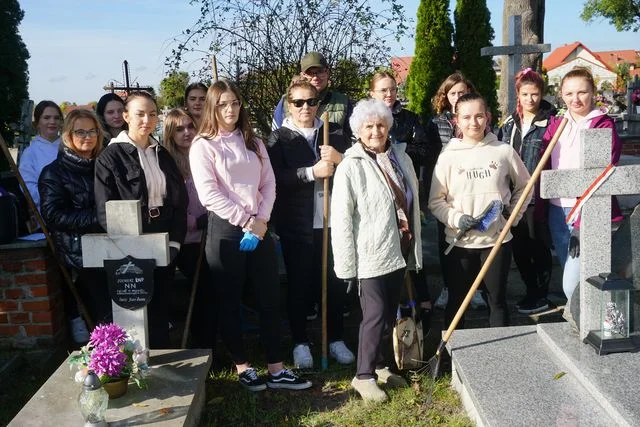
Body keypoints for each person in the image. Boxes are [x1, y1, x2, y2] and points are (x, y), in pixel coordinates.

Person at [189, 79, 311, 391]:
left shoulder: (253, 142)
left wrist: (262, 220)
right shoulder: (203, 146)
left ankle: (276, 368)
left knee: (270, 299)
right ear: (213, 108)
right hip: (226, 232)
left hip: (260, 228)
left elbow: (269, 183)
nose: (230, 110)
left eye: (234, 103)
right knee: (229, 301)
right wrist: (247, 221)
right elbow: (209, 195)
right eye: (223, 104)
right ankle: (243, 367)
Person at [331, 99, 422, 402]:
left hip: (399, 249)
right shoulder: (350, 166)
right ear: (358, 130)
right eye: (368, 126)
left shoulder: (399, 158)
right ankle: (363, 375)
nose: (375, 131)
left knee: (387, 315)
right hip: (369, 254)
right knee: (374, 315)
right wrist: (346, 266)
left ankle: (381, 366)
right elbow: (342, 219)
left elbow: (410, 198)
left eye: (380, 125)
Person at [267, 77, 354, 369]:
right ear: (288, 105)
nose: (306, 107)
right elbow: (275, 178)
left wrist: (339, 159)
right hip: (298, 224)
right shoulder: (279, 138)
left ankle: (336, 338)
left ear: (319, 103)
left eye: (312, 101)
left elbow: (354, 170)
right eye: (299, 102)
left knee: (335, 282)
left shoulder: (334, 134)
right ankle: (300, 342)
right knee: (300, 285)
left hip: (331, 223)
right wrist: (310, 172)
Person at [429, 92, 531, 329]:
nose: (473, 122)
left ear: (487, 117)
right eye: (466, 117)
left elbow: (526, 185)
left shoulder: (503, 151)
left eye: (478, 116)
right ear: (456, 120)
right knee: (457, 301)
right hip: (460, 243)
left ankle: (497, 355)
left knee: (496, 300)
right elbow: (436, 201)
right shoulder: (448, 157)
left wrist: (512, 216)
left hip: (496, 242)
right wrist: (456, 218)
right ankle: (453, 354)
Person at [94, 91, 188, 349]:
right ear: (125, 116)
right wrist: (128, 248)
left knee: (160, 303)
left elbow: (180, 202)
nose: (147, 119)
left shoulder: (162, 154)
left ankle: (161, 361)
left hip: (163, 234)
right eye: (139, 114)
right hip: (130, 239)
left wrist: (176, 241)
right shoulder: (110, 158)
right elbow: (105, 209)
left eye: (152, 113)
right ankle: (134, 364)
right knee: (135, 306)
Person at [538, 67, 622, 327]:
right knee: (573, 272)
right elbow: (545, 164)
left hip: (587, 211)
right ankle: (587, 322)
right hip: (557, 209)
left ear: (593, 93)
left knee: (572, 282)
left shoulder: (602, 125)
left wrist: (580, 222)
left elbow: (600, 176)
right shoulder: (558, 124)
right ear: (561, 95)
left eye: (582, 92)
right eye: (569, 93)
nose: (576, 99)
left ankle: (607, 321)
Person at [369, 70, 441, 325]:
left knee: (411, 243)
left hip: (405, 191)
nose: (389, 94)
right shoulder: (364, 120)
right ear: (372, 93)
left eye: (393, 89)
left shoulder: (408, 119)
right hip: (377, 198)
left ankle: (421, 301)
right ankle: (394, 308)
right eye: (383, 90)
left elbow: (423, 149)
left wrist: (397, 149)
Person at [39, 109, 109, 343]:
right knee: (102, 313)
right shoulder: (54, 173)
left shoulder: (104, 165)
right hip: (81, 252)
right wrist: (100, 218)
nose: (88, 136)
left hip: (112, 246)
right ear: (67, 135)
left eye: (92, 131)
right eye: (80, 131)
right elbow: (53, 215)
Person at [499, 68, 555, 315]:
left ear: (541, 94)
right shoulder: (510, 122)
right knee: (519, 247)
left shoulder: (551, 122)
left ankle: (540, 294)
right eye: (525, 94)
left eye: (535, 94)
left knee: (538, 247)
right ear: (518, 95)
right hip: (514, 195)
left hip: (536, 195)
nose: (530, 99)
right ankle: (530, 289)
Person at [430, 73, 486, 311]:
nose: (457, 96)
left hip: (475, 188)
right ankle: (448, 286)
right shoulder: (436, 124)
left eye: (462, 92)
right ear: (446, 97)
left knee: (478, 242)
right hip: (447, 193)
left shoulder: (479, 120)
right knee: (448, 243)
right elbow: (431, 158)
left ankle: (477, 289)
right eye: (452, 93)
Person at [162, 108, 216, 349]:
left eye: (190, 127)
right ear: (170, 134)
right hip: (186, 239)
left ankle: (211, 344)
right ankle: (200, 344)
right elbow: (171, 202)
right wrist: (195, 221)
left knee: (209, 292)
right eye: (179, 129)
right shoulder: (167, 163)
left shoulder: (204, 154)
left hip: (211, 232)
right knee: (199, 292)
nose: (186, 133)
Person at [272, 52, 352, 138]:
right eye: (310, 73)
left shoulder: (344, 102)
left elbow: (355, 139)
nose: (315, 77)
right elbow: (276, 137)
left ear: (327, 73)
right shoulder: (286, 101)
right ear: (302, 75)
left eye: (320, 72)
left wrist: (337, 152)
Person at [19, 100, 63, 211]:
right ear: (37, 122)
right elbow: (28, 188)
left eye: (56, 118)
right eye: (46, 117)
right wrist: (56, 197)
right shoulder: (30, 153)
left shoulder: (71, 147)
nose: (52, 121)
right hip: (47, 211)